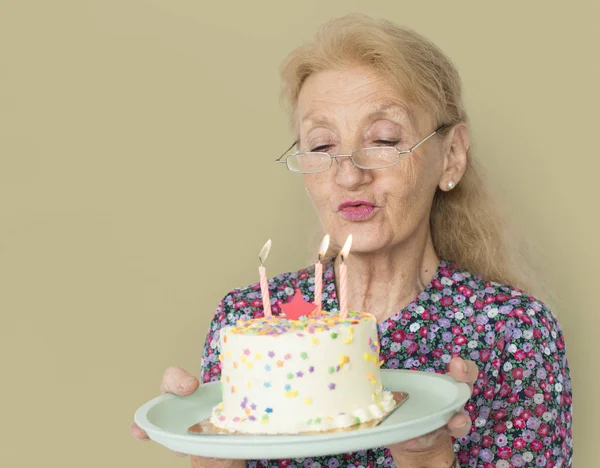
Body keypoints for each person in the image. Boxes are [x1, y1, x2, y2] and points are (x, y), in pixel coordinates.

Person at [131, 13, 573, 468]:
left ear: (451, 157)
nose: (348, 173)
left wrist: (428, 455)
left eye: (383, 138)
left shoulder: (511, 331)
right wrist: (210, 449)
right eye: (321, 146)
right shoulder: (249, 322)